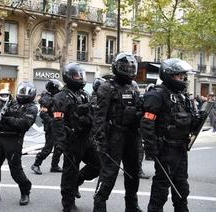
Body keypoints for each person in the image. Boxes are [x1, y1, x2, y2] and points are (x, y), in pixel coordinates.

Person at [140, 58, 197, 212]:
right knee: (161, 188)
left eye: (184, 76)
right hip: (165, 148)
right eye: (180, 76)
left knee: (182, 186)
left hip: (181, 148)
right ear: (169, 75)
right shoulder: (157, 95)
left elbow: (188, 120)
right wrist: (151, 147)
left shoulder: (182, 96)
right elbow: (147, 122)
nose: (183, 79)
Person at [93, 52, 143, 212]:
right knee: (109, 175)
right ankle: (99, 205)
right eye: (125, 67)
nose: (129, 70)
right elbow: (99, 117)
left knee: (133, 173)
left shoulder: (134, 86)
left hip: (132, 136)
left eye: (131, 67)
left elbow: (139, 108)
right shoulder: (107, 87)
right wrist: (100, 142)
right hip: (114, 136)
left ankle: (132, 205)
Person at [52, 63, 101, 212]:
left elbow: (92, 115)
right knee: (69, 173)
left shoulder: (83, 94)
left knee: (98, 165)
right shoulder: (61, 97)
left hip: (86, 139)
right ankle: (68, 204)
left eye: (81, 75)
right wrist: (61, 142)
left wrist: (90, 120)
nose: (80, 78)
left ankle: (78, 180)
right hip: (72, 140)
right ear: (68, 77)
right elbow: (58, 121)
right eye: (77, 75)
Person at [0, 81, 38, 206]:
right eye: (22, 91)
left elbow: (23, 124)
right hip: (0, 137)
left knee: (15, 169)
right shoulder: (11, 102)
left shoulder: (31, 107)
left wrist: (7, 119)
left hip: (14, 140)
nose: (23, 94)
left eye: (25, 92)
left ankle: (25, 191)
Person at [31, 79, 63, 175]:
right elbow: (43, 114)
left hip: (57, 125)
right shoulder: (47, 99)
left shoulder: (55, 97)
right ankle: (36, 164)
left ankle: (54, 165)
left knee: (59, 147)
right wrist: (52, 122)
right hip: (51, 127)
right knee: (48, 148)